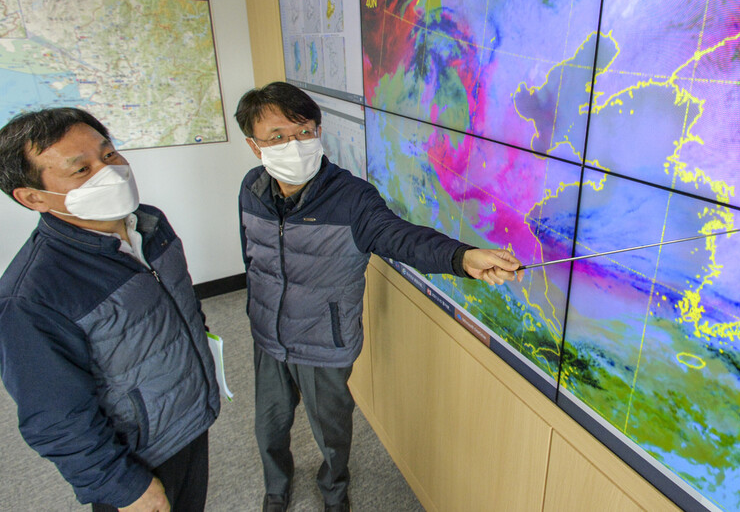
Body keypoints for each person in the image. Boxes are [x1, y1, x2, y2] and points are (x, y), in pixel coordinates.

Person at [236, 82, 522, 512]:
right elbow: (251, 256)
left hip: (323, 343)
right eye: (277, 137)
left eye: (304, 132)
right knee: (269, 427)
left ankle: (334, 493)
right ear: (256, 147)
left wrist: (461, 257)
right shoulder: (251, 189)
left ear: (318, 131)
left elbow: (400, 238)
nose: (294, 146)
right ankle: (276, 488)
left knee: (331, 433)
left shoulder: (351, 197)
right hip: (268, 337)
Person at [0, 108, 220, 512]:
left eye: (108, 155)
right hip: (138, 457)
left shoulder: (150, 224)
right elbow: (55, 416)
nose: (110, 173)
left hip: (188, 416)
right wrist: (123, 486)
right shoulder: (32, 297)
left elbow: (182, 307)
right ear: (33, 197)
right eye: (80, 170)